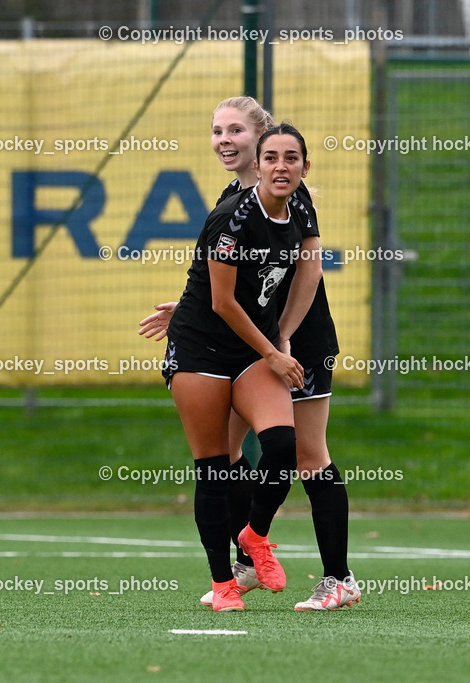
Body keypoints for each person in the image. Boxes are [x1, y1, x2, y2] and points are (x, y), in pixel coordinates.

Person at [140, 98, 358, 611]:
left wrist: (282, 339)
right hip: (246, 341)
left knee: (307, 454)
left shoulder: (291, 194)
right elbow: (223, 284)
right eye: (217, 130)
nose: (224, 139)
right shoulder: (232, 201)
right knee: (228, 455)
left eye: (235, 129)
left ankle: (338, 577)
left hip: (296, 337)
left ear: (260, 140)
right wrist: (190, 308)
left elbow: (307, 272)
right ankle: (244, 561)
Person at [156, 123, 316, 611]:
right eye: (272, 158)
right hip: (202, 347)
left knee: (283, 446)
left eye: (291, 159)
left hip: (253, 350)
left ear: (305, 167)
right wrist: (274, 352)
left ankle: (255, 535)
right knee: (214, 468)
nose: (281, 167)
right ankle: (224, 583)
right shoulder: (232, 218)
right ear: (258, 164)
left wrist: (280, 338)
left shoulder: (301, 205)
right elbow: (222, 302)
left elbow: (309, 268)